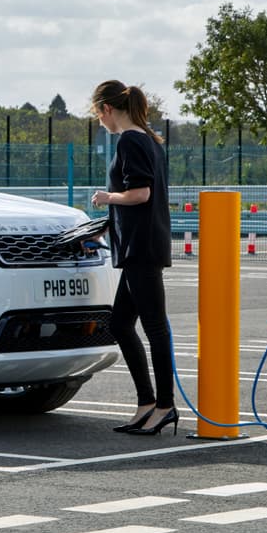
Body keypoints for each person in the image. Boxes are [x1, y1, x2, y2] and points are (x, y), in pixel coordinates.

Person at [89, 80, 176, 436]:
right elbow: (142, 200)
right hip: (139, 245)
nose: (100, 123)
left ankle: (165, 406)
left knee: (154, 328)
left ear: (107, 109)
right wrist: (105, 228)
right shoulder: (148, 139)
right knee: (120, 324)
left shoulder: (130, 139)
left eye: (98, 115)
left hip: (142, 249)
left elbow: (139, 194)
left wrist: (106, 198)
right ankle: (147, 403)